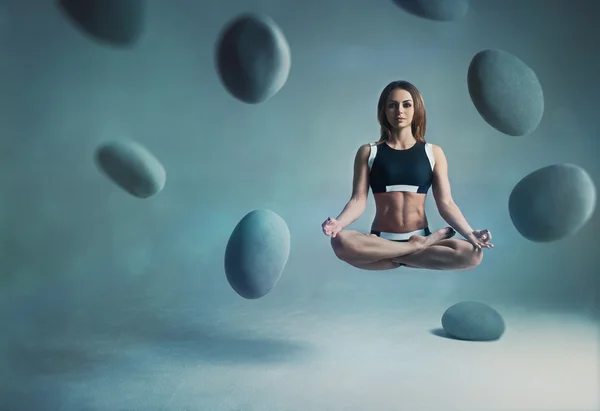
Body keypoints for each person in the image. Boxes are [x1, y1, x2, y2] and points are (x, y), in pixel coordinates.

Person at [321, 80, 493, 271]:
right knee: (340, 242)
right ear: (384, 111)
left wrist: (469, 233)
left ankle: (393, 258)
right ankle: (414, 248)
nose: (399, 111)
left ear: (416, 108)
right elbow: (357, 201)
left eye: (406, 104)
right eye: (392, 105)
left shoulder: (433, 152)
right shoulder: (368, 152)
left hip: (420, 234)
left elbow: (446, 204)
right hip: (381, 241)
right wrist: (338, 223)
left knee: (473, 254)